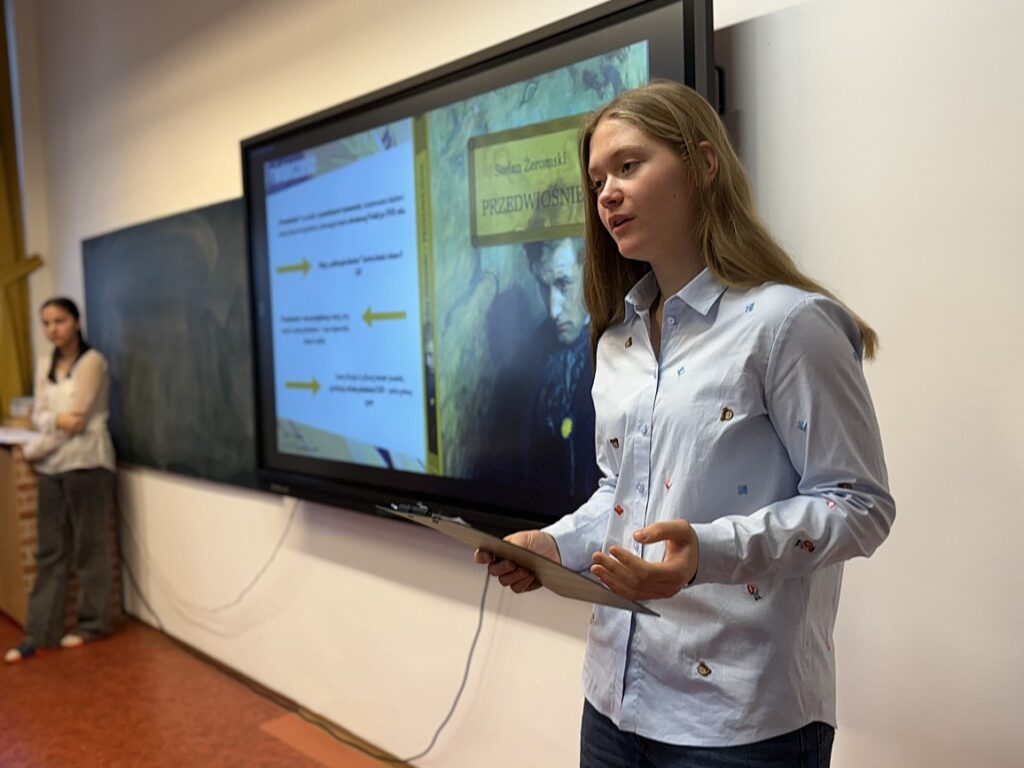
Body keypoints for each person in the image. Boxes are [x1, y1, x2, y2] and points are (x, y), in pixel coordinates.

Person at [476, 80, 895, 767]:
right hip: (613, 696)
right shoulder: (618, 340)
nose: (607, 194)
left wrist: (706, 551)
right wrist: (553, 546)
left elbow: (859, 506)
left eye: (628, 166)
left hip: (740, 721)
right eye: (597, 181)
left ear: (703, 163)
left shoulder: (790, 324)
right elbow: (622, 497)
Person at [4, 297, 117, 663]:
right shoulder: (44, 364)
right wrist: (54, 423)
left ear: (76, 322)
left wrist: (36, 447)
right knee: (50, 550)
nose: (53, 329)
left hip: (87, 463)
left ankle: (93, 624)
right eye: (47, 323)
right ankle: (40, 632)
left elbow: (78, 421)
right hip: (51, 467)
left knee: (90, 547)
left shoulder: (92, 362)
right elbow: (41, 415)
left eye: (60, 321)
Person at [522, 236, 599, 501]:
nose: (553, 310)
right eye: (543, 287)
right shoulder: (532, 347)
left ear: (590, 273)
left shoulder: (626, 342)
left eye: (564, 284)